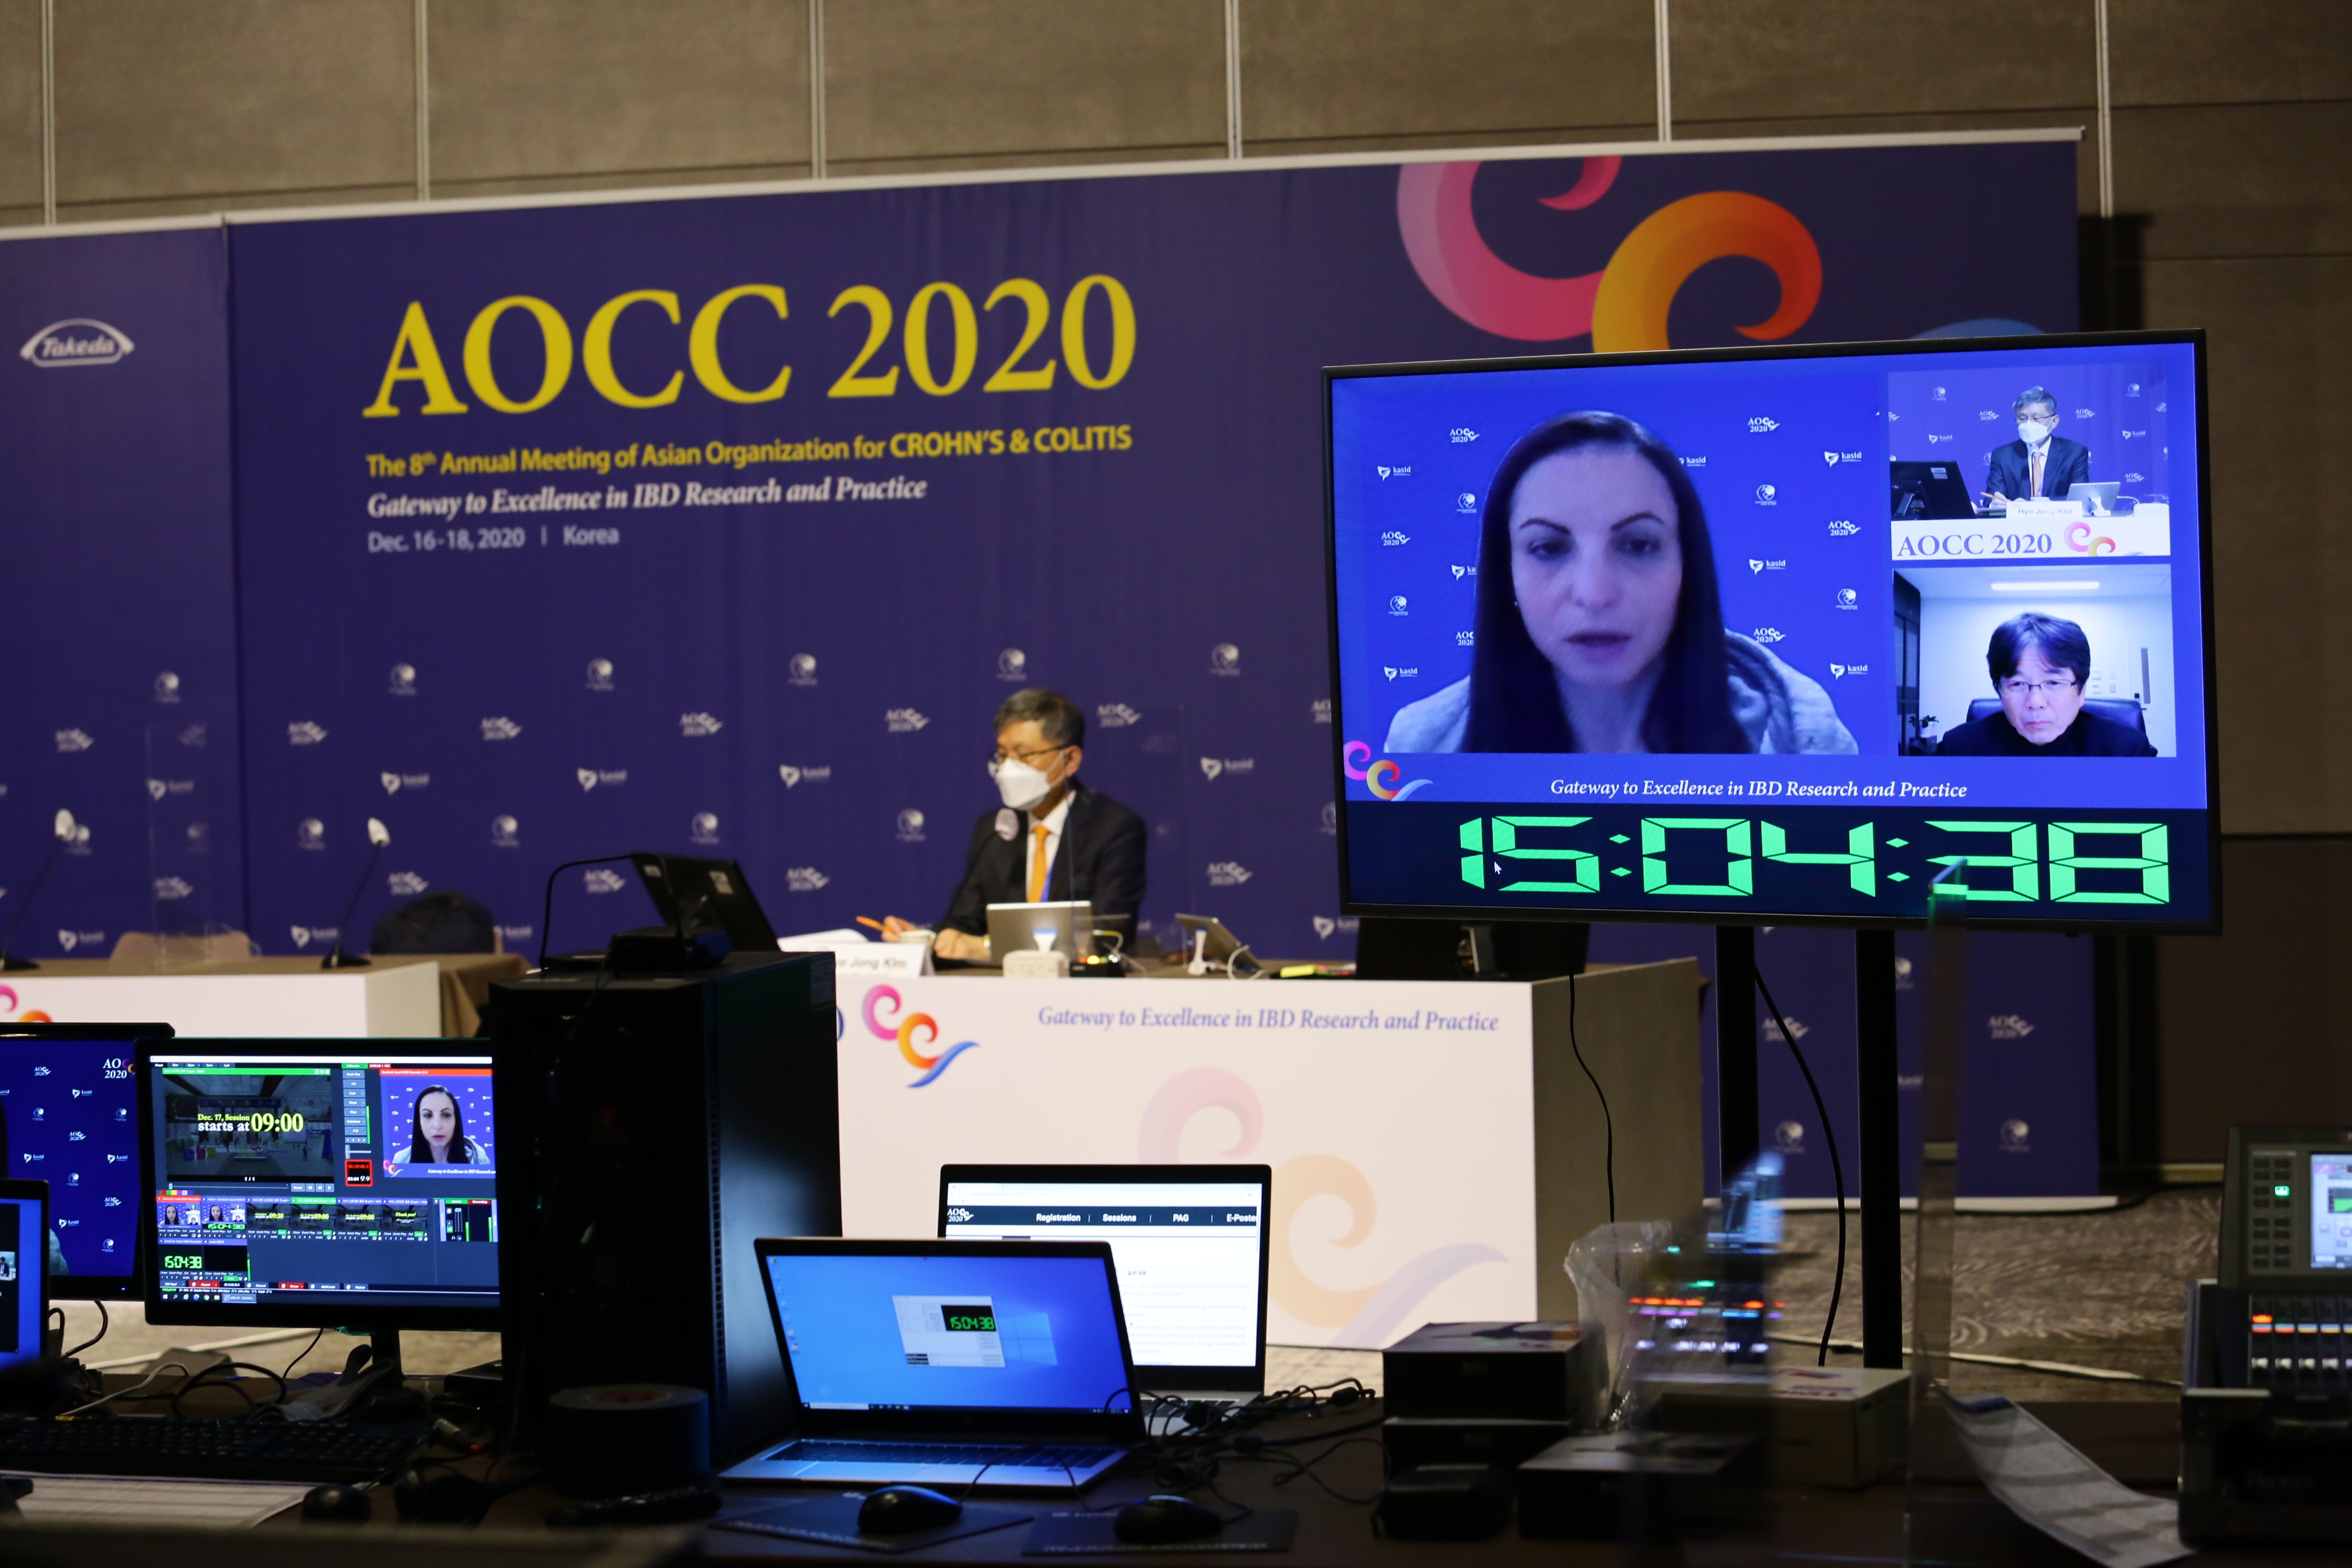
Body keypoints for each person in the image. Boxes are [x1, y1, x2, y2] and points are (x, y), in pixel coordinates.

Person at [1385, 411, 1856, 754]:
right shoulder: (1421, 747)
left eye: (1638, 545)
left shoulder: (1804, 746)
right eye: (1549, 548)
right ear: (1505, 572)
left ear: (1686, 566)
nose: (1595, 594)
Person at [881, 688, 1147, 962]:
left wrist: (987, 949)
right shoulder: (995, 829)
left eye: (1024, 755)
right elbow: (963, 924)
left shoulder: (1113, 828)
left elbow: (1107, 936)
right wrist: (924, 942)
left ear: (1070, 760)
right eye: (1003, 755)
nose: (1008, 768)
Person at [1936, 612, 2157, 756]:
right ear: (2000, 692)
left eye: (2053, 682)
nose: (2035, 702)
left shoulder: (2125, 750)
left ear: (2081, 692)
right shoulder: (1960, 748)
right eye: (2017, 684)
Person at [1981, 386, 2090, 505]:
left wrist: (2039, 505)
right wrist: (1995, 504)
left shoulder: (2074, 453)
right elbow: (1991, 499)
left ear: (2054, 421)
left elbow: (2080, 499)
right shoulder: (2003, 456)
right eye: (2022, 419)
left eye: (2036, 418)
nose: (2029, 424)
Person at [382, 1084, 489, 1174]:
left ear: (456, 1120)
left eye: (446, 1115)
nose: (437, 1126)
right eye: (428, 1115)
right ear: (419, 1122)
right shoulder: (401, 1161)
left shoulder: (480, 1161)